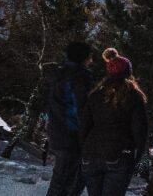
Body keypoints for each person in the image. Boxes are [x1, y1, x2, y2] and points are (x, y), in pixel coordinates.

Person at [79, 50, 148, 196]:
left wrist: (85, 150)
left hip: (91, 156)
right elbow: (140, 130)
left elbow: (84, 127)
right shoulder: (134, 96)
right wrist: (136, 156)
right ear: (128, 73)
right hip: (118, 154)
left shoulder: (95, 95)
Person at [46, 42, 94, 196]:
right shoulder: (79, 77)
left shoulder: (60, 74)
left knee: (62, 181)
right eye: (90, 56)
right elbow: (81, 109)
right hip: (71, 137)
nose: (91, 60)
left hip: (58, 133)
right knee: (67, 182)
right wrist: (87, 134)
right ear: (83, 57)